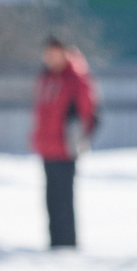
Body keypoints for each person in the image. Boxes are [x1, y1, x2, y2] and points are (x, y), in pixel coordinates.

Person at [32, 38, 99, 250]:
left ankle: (67, 244)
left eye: (53, 53)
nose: (50, 57)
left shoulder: (75, 78)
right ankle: (54, 242)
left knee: (64, 198)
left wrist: (79, 137)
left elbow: (88, 111)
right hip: (47, 146)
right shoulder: (46, 77)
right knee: (51, 197)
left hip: (66, 147)